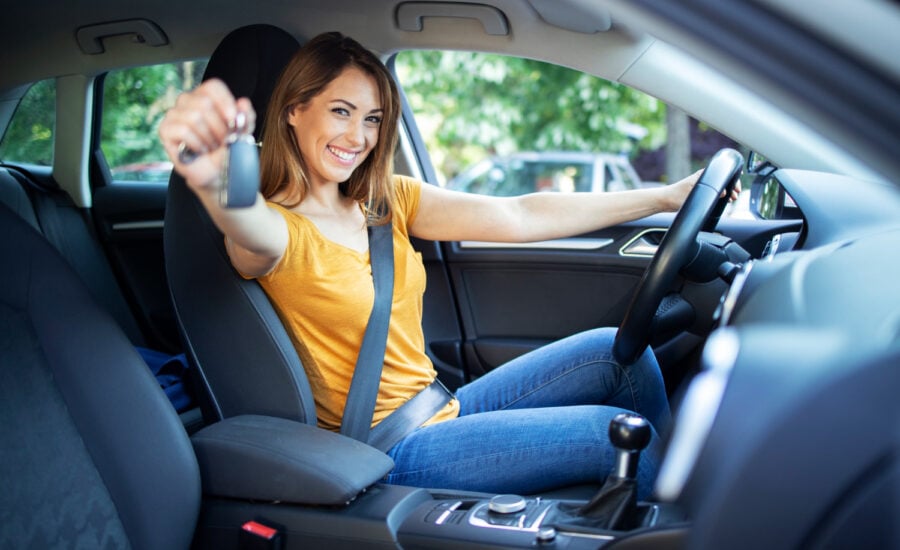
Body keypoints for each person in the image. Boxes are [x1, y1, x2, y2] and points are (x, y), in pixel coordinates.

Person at [159, 31, 734, 497]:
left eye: (373, 119)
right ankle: (681, 529)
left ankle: (656, 499)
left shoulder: (386, 200)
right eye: (340, 111)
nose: (357, 136)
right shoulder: (278, 232)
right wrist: (214, 181)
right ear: (292, 112)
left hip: (443, 407)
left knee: (619, 354)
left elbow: (519, 215)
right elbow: (244, 223)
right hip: (390, 449)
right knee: (606, 436)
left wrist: (662, 197)